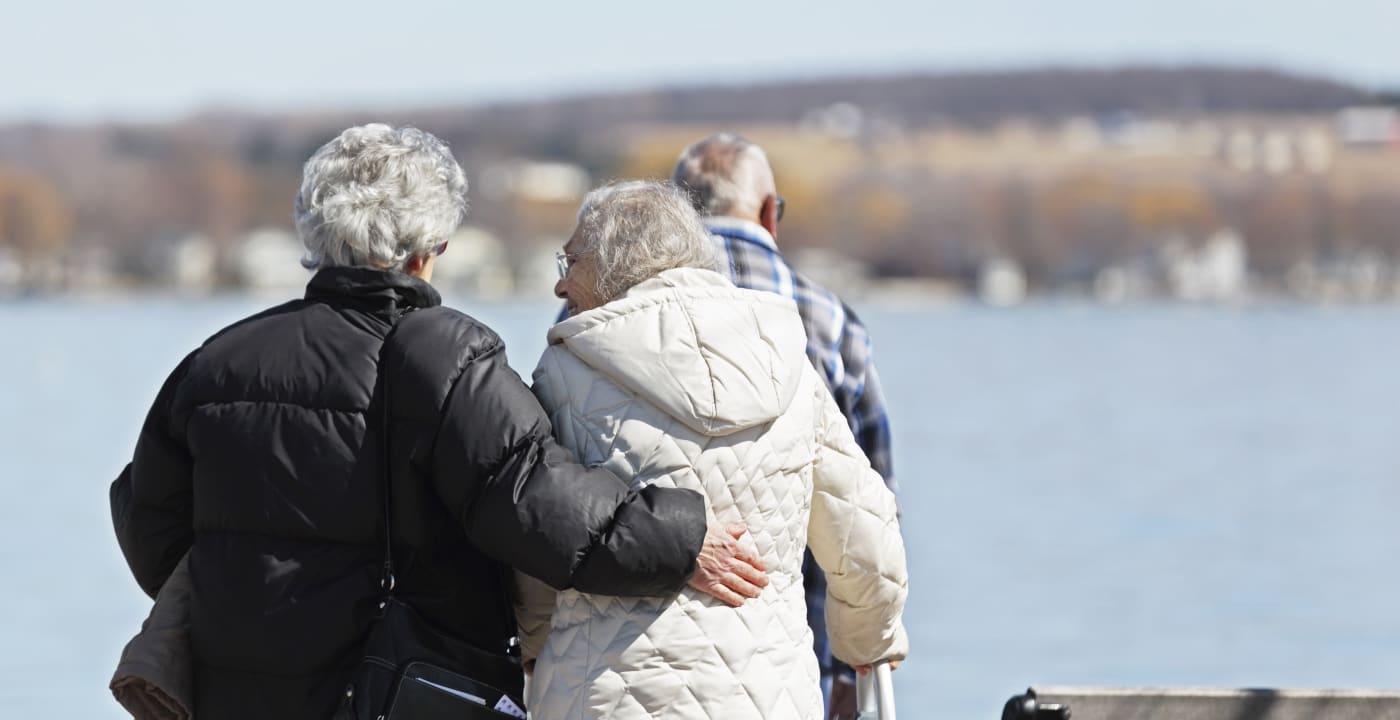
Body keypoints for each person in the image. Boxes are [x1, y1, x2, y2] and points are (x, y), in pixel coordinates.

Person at [108, 124, 767, 720]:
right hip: (398, 690)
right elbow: (540, 505)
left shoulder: (218, 361)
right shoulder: (449, 355)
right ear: (433, 245)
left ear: (314, 230)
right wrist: (680, 539)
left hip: (239, 697)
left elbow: (149, 525)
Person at [514, 181, 908, 719]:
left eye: (572, 258)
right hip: (767, 694)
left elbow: (541, 537)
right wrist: (868, 645)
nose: (561, 284)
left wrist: (532, 644)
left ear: (616, 263)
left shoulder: (564, 373)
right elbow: (865, 532)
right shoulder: (787, 361)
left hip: (603, 695)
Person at [672, 133, 899, 718]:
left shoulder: (600, 306)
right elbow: (869, 504)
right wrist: (859, 663)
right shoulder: (828, 319)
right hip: (793, 655)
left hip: (642, 649)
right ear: (772, 211)